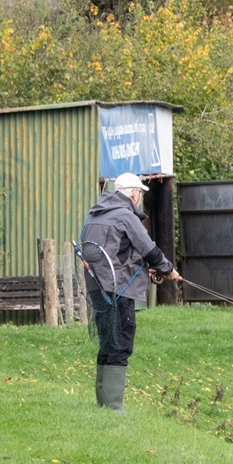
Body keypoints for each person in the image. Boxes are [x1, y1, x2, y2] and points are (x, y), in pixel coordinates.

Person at [79, 172, 181, 412]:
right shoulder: (126, 215)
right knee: (120, 343)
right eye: (139, 194)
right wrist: (168, 269)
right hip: (119, 290)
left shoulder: (95, 215)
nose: (139, 198)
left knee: (107, 341)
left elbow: (115, 253)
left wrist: (148, 270)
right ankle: (114, 407)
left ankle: (103, 404)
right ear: (134, 194)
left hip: (97, 288)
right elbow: (150, 250)